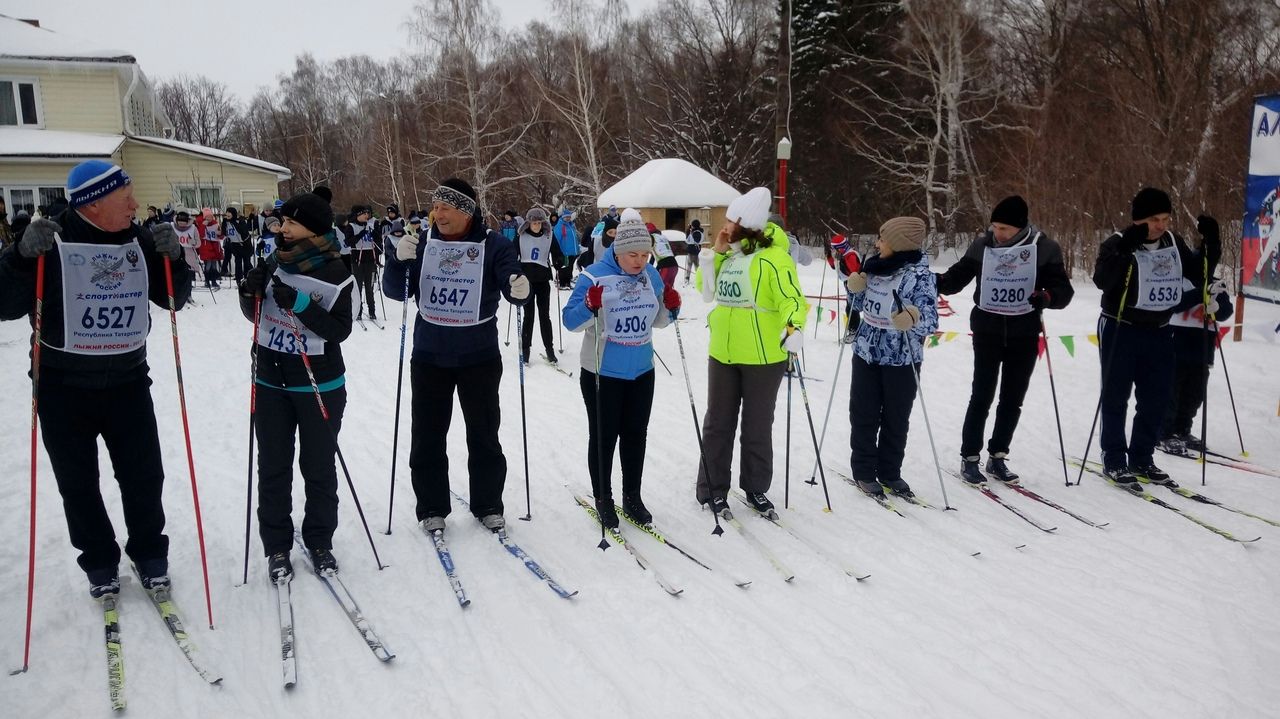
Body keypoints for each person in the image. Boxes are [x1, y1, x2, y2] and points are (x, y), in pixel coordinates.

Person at [0, 160, 190, 597]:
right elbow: (6, 305)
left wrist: (174, 261)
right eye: (126, 197)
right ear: (95, 202)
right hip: (62, 386)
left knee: (144, 474)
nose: (136, 204)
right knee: (78, 482)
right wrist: (18, 256)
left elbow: (172, 299)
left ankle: (149, 553)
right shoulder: (52, 238)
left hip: (127, 380)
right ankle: (100, 561)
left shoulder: (138, 238)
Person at [382, 178, 529, 533]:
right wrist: (397, 260)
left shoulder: (493, 244)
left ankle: (488, 503)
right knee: (428, 434)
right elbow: (395, 291)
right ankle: (431, 506)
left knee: (483, 433)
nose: (437, 214)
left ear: (466, 211)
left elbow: (512, 281)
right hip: (430, 355)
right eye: (436, 206)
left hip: (479, 355)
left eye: (445, 207)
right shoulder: (422, 243)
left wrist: (518, 287)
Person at [238, 191, 354, 581]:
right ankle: (277, 546)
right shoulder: (273, 261)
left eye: (289, 223)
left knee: (318, 466)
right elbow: (256, 314)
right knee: (273, 467)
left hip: (319, 383)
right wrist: (248, 291)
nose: (281, 228)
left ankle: (320, 540)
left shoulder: (337, 269)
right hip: (271, 379)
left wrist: (302, 305)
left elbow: (340, 330)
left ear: (313, 229)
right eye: (280, 222)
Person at [935, 195, 1074, 485]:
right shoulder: (983, 245)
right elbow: (957, 277)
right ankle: (970, 457)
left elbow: (1064, 290)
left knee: (1012, 398)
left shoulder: (1044, 248)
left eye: (1005, 230)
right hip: (987, 329)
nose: (998, 234)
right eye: (995, 227)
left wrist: (1047, 297)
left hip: (1024, 332)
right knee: (982, 394)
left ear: (1021, 228)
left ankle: (998, 455)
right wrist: (930, 281)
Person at [1092, 187, 1220, 485]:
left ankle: (1142, 457)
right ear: (1138, 220)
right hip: (1120, 327)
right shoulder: (1117, 242)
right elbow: (1103, 280)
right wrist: (1126, 250)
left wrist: (1212, 243)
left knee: (1156, 397)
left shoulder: (1173, 242)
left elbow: (1200, 274)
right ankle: (1113, 458)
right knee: (1116, 396)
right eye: (1154, 219)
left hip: (1160, 329)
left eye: (1165, 218)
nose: (1161, 225)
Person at [694, 188, 809, 517]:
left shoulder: (775, 258)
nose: (724, 226)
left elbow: (792, 298)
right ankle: (712, 489)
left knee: (757, 425)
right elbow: (705, 292)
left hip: (763, 357)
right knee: (718, 423)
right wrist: (713, 255)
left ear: (744, 223)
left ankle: (756, 487)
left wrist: (793, 327)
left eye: (729, 221)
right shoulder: (729, 255)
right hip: (723, 353)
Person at [564, 213, 679, 525]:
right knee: (604, 437)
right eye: (633, 254)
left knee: (635, 435)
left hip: (642, 370)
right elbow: (570, 321)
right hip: (603, 372)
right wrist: (589, 305)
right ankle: (604, 496)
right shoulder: (593, 276)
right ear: (617, 250)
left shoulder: (651, 276)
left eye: (645, 255)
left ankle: (633, 497)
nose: (640, 261)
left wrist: (672, 306)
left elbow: (659, 321)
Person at [844, 217, 939, 499]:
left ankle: (889, 471)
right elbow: (858, 307)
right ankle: (863, 470)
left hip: (902, 358)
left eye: (883, 239)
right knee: (863, 413)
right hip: (866, 353)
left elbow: (931, 321)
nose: (877, 243)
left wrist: (912, 318)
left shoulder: (920, 277)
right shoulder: (872, 268)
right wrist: (855, 289)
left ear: (898, 244)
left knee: (896, 418)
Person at [1159, 269, 1232, 455]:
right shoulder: (1178, 279)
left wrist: (1217, 307)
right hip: (1177, 344)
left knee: (1195, 392)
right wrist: (1201, 293)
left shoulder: (1216, 283)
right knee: (1172, 390)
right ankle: (1164, 432)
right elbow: (1174, 304)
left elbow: (1226, 311)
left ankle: (1183, 429)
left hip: (1202, 347)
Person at [514, 207, 564, 364]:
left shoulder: (548, 235)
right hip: (526, 280)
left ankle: (549, 349)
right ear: (528, 223)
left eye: (539, 223)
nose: (536, 225)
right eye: (533, 223)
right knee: (529, 316)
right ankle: (526, 350)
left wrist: (559, 261)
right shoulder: (521, 236)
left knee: (545, 316)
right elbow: (511, 253)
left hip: (542, 280)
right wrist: (512, 267)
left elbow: (557, 252)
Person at [344, 205, 382, 322]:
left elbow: (378, 240)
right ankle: (358, 311)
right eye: (363, 214)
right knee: (358, 287)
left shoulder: (371, 224)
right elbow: (348, 242)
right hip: (357, 260)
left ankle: (372, 311)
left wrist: (374, 233)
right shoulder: (351, 226)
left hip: (370, 259)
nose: (366, 216)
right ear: (357, 215)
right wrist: (361, 234)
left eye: (367, 214)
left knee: (370, 287)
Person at [828, 234, 862, 342]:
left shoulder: (850, 255)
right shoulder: (843, 254)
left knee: (852, 307)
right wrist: (829, 257)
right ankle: (853, 331)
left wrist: (842, 261)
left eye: (835, 248)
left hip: (854, 283)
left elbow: (854, 272)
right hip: (847, 283)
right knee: (850, 306)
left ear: (840, 247)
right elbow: (834, 267)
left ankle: (854, 332)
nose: (834, 250)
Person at [223, 206, 253, 283]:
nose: (228, 214)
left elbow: (243, 232)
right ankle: (238, 278)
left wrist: (234, 223)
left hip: (244, 244)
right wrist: (224, 223)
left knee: (247, 262)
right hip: (235, 245)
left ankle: (248, 277)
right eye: (227, 212)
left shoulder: (240, 221)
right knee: (238, 262)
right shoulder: (226, 222)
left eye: (230, 212)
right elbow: (224, 233)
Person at [196, 208, 223, 289]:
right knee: (208, 265)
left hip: (214, 247)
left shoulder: (215, 224)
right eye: (207, 217)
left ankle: (214, 281)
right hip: (206, 247)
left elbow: (220, 236)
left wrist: (220, 234)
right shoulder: (202, 224)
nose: (209, 218)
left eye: (210, 217)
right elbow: (200, 235)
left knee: (214, 266)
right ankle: (207, 281)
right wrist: (203, 225)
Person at [554, 209, 580, 289]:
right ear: (562, 217)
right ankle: (562, 283)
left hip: (572, 251)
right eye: (566, 217)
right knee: (564, 268)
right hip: (564, 251)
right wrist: (558, 251)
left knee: (570, 268)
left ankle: (567, 283)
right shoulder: (560, 226)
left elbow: (574, 237)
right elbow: (557, 238)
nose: (568, 219)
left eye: (569, 217)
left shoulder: (571, 225)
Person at [649, 222, 680, 289]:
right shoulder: (662, 237)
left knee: (660, 289)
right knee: (668, 291)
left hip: (666, 267)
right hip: (674, 266)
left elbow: (654, 257)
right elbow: (656, 254)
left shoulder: (651, 238)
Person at [684, 219, 704, 286]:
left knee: (690, 265)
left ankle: (687, 278)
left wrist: (689, 231)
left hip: (691, 250)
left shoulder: (694, 232)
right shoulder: (700, 232)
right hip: (697, 250)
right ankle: (699, 277)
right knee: (697, 265)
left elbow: (688, 240)